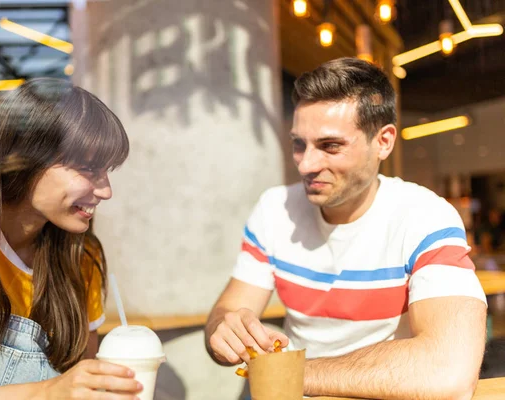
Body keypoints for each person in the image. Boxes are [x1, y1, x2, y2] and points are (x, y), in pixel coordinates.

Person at [205, 58, 487, 399]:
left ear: (383, 141)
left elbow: (449, 371)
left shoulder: (425, 217)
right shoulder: (273, 209)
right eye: (299, 144)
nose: (306, 164)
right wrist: (224, 331)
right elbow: (225, 312)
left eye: (330, 146)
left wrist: (289, 374)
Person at [0, 79, 143, 399]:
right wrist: (45, 392)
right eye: (88, 169)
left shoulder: (82, 256)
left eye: (107, 171)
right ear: (24, 158)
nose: (105, 191)